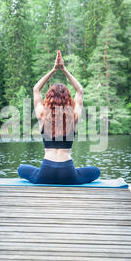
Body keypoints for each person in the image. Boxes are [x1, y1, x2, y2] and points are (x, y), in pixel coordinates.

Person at [18, 51, 100, 184]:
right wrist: (64, 69)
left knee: (21, 169)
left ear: (48, 98)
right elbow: (80, 90)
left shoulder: (42, 115)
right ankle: (76, 171)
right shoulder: (74, 116)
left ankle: (58, 172)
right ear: (68, 99)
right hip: (68, 172)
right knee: (96, 171)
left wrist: (54, 69)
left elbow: (36, 89)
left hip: (45, 173)